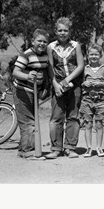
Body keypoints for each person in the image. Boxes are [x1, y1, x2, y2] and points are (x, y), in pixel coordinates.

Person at [45, 17, 84, 159]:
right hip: (58, 86)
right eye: (60, 30)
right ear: (55, 31)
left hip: (74, 86)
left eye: (65, 30)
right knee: (56, 117)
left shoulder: (76, 45)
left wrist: (67, 80)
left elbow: (80, 66)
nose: (62, 33)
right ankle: (56, 148)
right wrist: (55, 84)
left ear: (69, 32)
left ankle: (70, 148)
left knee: (73, 116)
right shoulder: (50, 47)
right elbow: (50, 68)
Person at [11, 29, 49, 160]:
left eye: (45, 41)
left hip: (34, 92)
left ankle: (24, 149)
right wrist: (27, 76)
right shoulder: (26, 55)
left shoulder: (45, 55)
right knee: (28, 122)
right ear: (33, 41)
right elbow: (15, 72)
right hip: (22, 90)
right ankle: (27, 151)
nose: (42, 43)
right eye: (39, 40)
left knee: (32, 121)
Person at [79, 44, 104, 157]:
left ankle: (99, 147)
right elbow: (80, 83)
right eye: (91, 54)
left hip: (100, 100)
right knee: (87, 124)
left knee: (99, 124)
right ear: (88, 55)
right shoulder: (85, 68)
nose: (93, 56)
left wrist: (101, 84)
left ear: (100, 55)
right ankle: (88, 148)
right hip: (87, 100)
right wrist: (84, 83)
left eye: (96, 54)